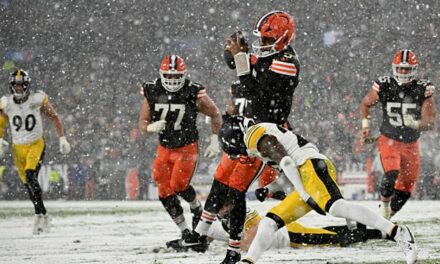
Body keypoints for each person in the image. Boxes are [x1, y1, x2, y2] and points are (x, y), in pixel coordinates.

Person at [183, 11, 301, 264]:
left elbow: (252, 92)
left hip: (264, 134)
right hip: (248, 129)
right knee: (220, 179)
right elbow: (238, 63)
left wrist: (242, 60)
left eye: (268, 40)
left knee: (236, 194)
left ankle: (234, 251)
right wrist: (235, 50)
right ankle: (200, 233)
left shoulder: (285, 62)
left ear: (282, 39)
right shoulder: (272, 56)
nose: (263, 45)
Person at [218, 116, 418, 264]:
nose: (237, 156)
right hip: (305, 174)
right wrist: (271, 188)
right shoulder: (260, 133)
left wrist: (304, 195)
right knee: (270, 222)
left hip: (310, 166)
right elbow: (288, 167)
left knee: (336, 207)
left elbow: (288, 162)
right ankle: (249, 261)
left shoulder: (254, 136)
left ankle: (397, 232)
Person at [139, 54, 222, 240]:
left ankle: (196, 208)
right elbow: (143, 122)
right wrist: (149, 127)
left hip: (186, 146)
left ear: (184, 75)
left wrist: (215, 140)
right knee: (163, 188)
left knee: (178, 185)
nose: (173, 80)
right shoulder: (152, 90)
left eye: (177, 76)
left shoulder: (192, 91)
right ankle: (184, 230)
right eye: (169, 76)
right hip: (164, 147)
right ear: (161, 75)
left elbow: (215, 113)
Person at [360, 49, 436, 219]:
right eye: (400, 68)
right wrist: (365, 126)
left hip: (411, 144)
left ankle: (387, 218)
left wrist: (416, 124)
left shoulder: (423, 88)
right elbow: (365, 104)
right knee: (391, 174)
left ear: (414, 69)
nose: (403, 72)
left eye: (407, 69)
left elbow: (430, 122)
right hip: (389, 139)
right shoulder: (385, 84)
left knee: (406, 189)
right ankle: (384, 211)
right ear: (394, 68)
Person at [0, 69, 71, 234]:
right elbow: (1, 123)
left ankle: (40, 215)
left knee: (31, 176)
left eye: (21, 85)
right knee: (28, 185)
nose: (18, 89)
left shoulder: (36, 99)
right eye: (16, 86)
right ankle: (42, 214)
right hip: (17, 148)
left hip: (36, 143)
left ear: (27, 85)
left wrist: (62, 137)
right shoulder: (6, 103)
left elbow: (54, 116)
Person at [167, 206, 388, 253]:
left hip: (288, 236)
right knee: (328, 234)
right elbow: (203, 243)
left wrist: (232, 244)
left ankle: (376, 232)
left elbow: (248, 244)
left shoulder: (243, 210)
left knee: (335, 239)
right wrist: (190, 244)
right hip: (286, 234)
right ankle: (366, 229)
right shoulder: (213, 223)